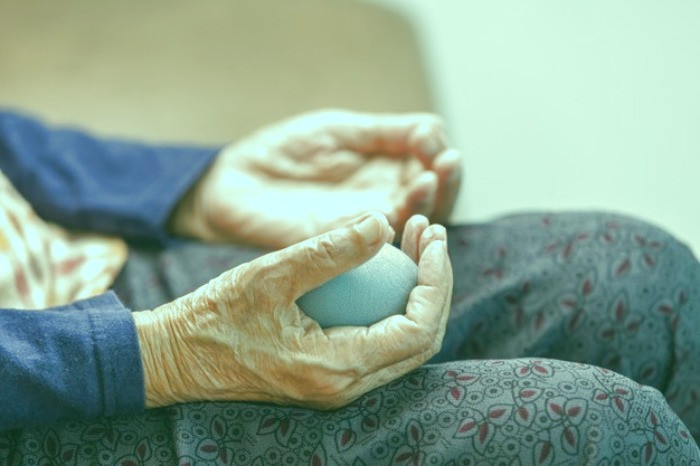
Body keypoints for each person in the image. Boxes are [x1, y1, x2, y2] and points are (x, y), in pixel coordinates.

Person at [0, 108, 697, 464]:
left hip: (100, 277)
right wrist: (159, 355)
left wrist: (193, 189)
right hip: (46, 407)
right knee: (598, 430)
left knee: (639, 275)